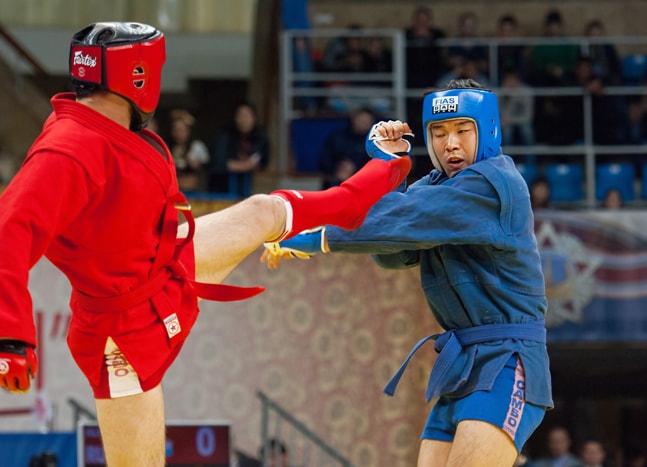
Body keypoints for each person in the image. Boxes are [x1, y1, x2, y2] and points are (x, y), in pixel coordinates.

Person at [0, 21, 412, 467]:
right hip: (119, 332)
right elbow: (9, 229)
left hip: (166, 266)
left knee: (260, 211)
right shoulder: (68, 149)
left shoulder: (104, 129)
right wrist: (10, 338)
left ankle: (356, 194)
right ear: (138, 75)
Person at [263, 79, 553, 466]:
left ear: (489, 130)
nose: (450, 143)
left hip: (507, 359)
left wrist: (307, 230)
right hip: (463, 364)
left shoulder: (494, 184)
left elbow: (398, 220)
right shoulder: (434, 187)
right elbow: (391, 249)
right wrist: (387, 165)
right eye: (439, 132)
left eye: (463, 130)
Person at [209, 101, 270, 197]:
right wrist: (244, 165)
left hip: (252, 188)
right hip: (224, 187)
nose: (243, 119)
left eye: (246, 115)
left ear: (254, 118)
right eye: (240, 115)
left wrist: (244, 165)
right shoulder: (225, 135)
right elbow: (219, 162)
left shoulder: (260, 136)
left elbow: (262, 161)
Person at [318, 106, 376, 188]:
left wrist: (354, 170)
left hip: (362, 181)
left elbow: (376, 165)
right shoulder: (337, 137)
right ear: (354, 119)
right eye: (361, 120)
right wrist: (337, 168)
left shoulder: (375, 143)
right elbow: (324, 160)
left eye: (367, 121)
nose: (363, 123)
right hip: (335, 178)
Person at [167, 108, 211, 192]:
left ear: (188, 130)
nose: (178, 133)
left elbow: (203, 167)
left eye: (181, 130)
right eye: (175, 130)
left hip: (194, 189)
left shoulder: (197, 146)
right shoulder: (168, 147)